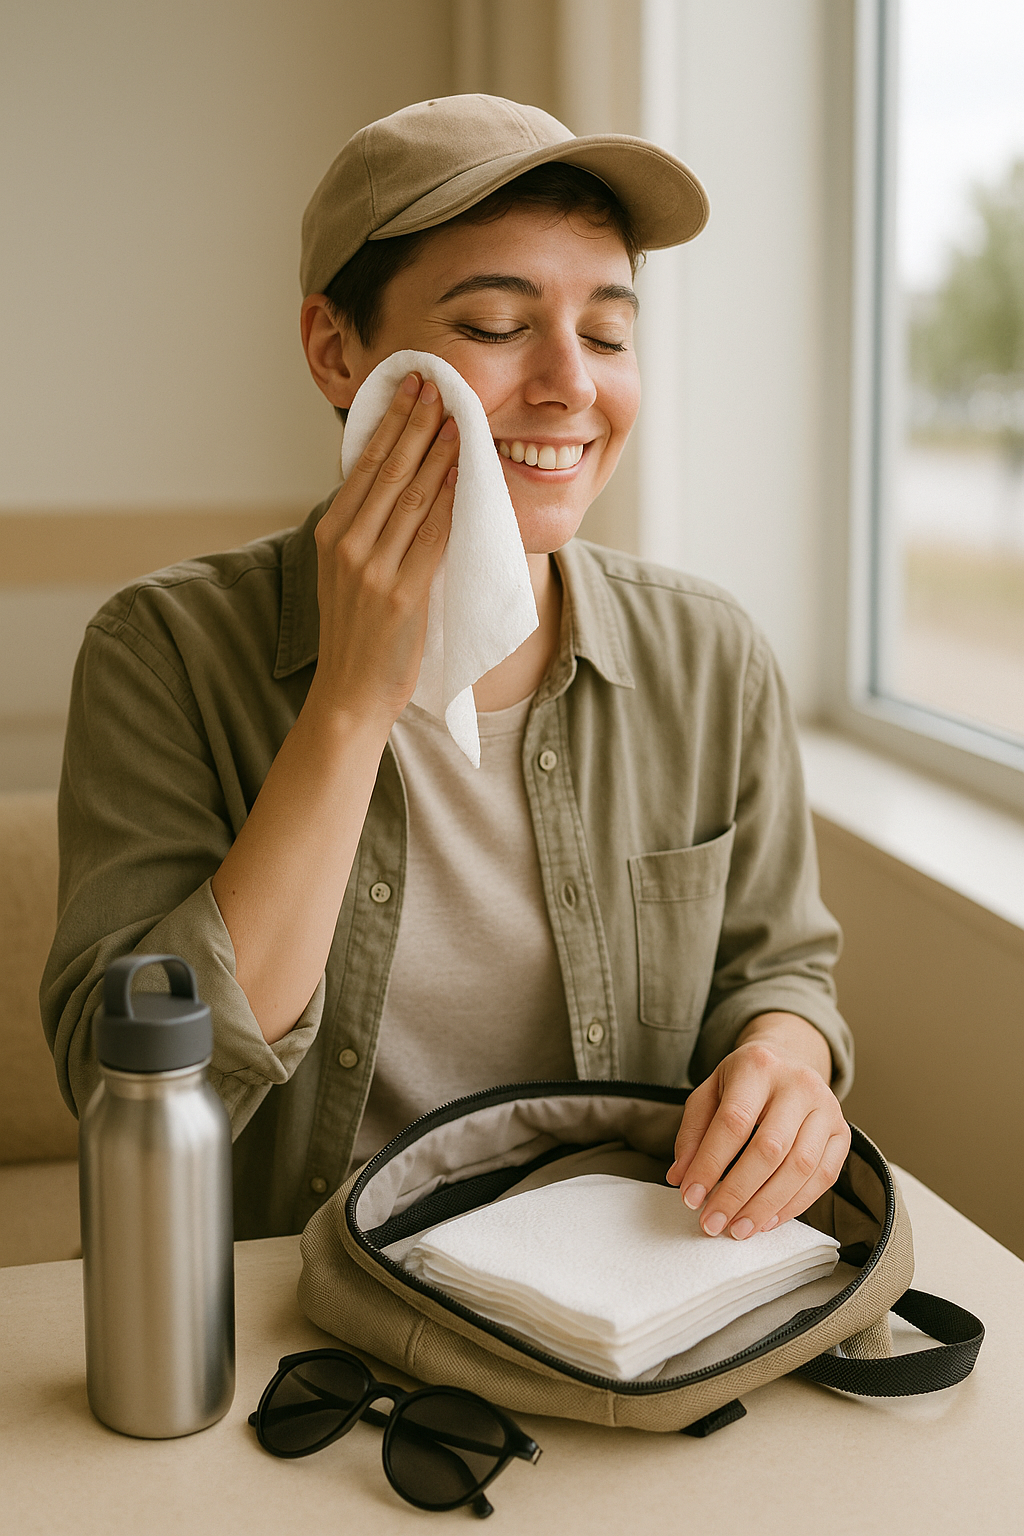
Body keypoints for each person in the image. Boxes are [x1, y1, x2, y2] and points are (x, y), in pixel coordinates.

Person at [42, 94, 853, 1243]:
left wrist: (784, 1058)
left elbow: (779, 968)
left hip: (616, 1301)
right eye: (493, 324)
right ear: (338, 350)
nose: (572, 383)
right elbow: (136, 1087)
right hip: (285, 1318)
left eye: (610, 334)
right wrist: (350, 705)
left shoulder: (709, 654)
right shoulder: (162, 653)